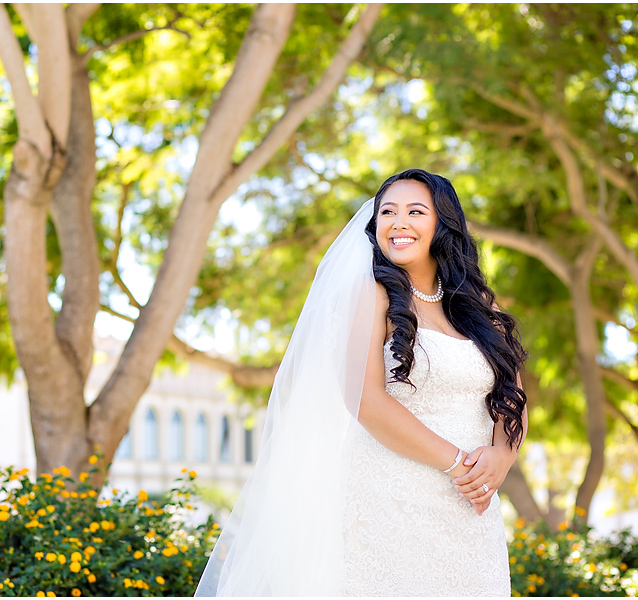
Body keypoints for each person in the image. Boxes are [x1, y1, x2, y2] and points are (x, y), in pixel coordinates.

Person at [194, 169, 528, 597]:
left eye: (415, 211)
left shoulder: (478, 305)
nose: (398, 221)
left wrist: (502, 454)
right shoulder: (371, 294)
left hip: (473, 506)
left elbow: (511, 394)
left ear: (442, 223)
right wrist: (460, 464)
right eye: (387, 211)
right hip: (389, 499)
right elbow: (364, 399)